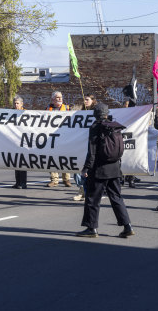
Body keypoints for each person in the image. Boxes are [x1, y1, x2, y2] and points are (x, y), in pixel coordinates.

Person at [76, 103, 134, 238]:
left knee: (92, 199)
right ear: (107, 114)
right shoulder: (115, 127)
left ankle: (91, 228)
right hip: (114, 168)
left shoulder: (95, 127)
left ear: (95, 115)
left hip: (99, 170)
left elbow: (92, 152)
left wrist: (86, 168)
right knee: (116, 198)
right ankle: (127, 226)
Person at [46, 91, 72, 188]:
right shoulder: (48, 109)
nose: (60, 99)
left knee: (65, 158)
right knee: (52, 158)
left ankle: (66, 179)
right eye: (57, 97)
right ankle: (54, 180)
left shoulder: (68, 108)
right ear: (53, 99)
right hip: (52, 137)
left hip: (65, 136)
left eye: (61, 97)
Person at [73, 94, 96, 201]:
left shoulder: (96, 112)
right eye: (84, 99)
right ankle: (81, 189)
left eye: (87, 100)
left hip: (90, 144)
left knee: (88, 170)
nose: (85, 101)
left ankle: (88, 192)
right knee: (77, 168)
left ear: (93, 101)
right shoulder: (81, 112)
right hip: (80, 144)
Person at [11, 96, 28, 189]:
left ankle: (23, 183)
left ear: (22, 104)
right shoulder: (10, 112)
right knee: (16, 162)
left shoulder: (26, 113)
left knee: (23, 162)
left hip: (23, 140)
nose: (16, 105)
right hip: (14, 141)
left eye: (17, 103)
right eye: (14, 103)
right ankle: (17, 182)